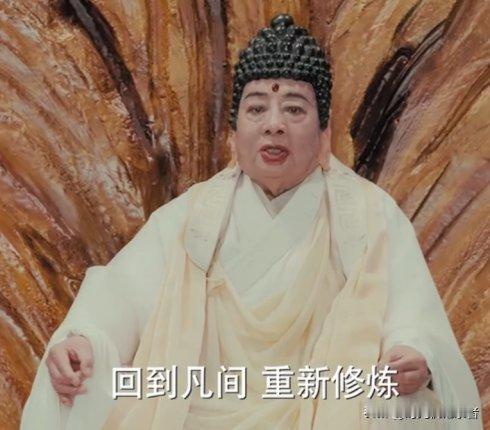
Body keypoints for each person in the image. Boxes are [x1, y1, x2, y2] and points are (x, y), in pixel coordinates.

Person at [21, 14, 481, 430]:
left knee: (407, 405)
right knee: (81, 380)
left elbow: (411, 314)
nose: (274, 124)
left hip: (326, 405)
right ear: (234, 133)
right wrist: (87, 341)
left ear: (324, 132)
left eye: (294, 109)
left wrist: (412, 351)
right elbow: (121, 298)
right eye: (257, 108)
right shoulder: (191, 218)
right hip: (201, 405)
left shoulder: (368, 215)